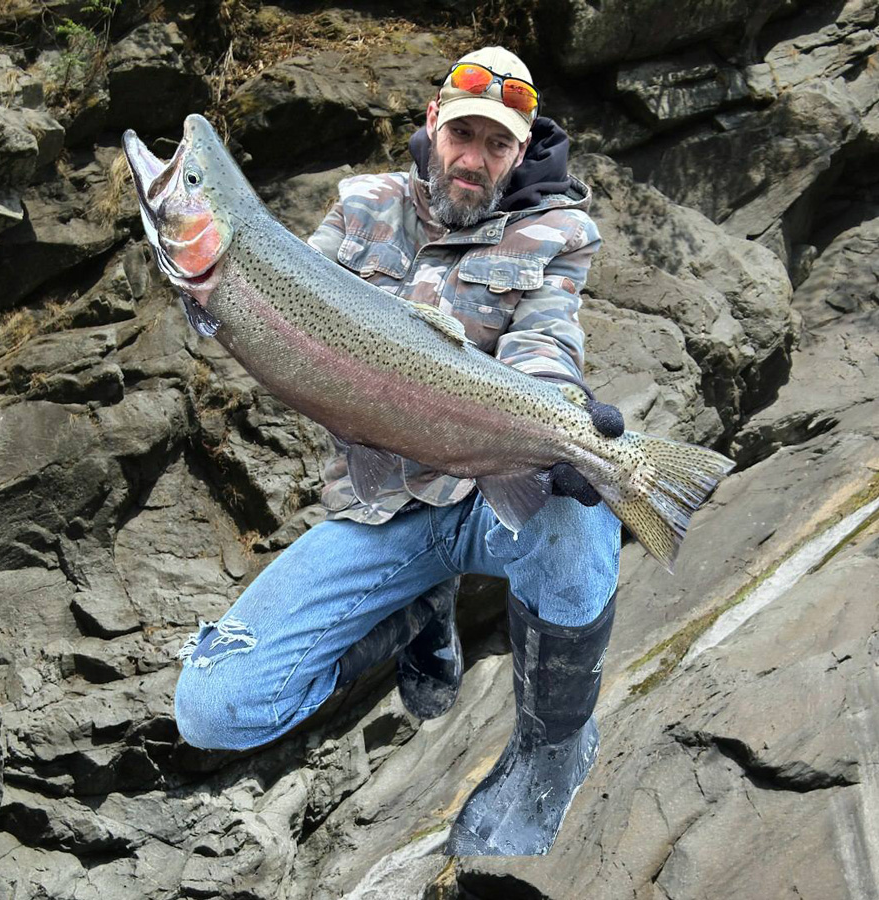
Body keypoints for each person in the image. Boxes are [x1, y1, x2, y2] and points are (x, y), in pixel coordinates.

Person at [174, 45, 624, 857]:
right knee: (214, 708)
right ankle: (413, 614)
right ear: (432, 124)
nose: (475, 158)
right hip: (379, 504)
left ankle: (551, 746)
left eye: (496, 145)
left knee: (582, 513)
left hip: (487, 492)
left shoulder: (558, 231)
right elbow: (288, 321)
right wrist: (210, 295)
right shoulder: (361, 208)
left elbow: (546, 347)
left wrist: (560, 422)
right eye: (465, 136)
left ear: (519, 152)